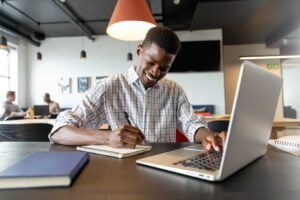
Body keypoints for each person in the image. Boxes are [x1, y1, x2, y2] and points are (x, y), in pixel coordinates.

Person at [49, 26, 226, 151]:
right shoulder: (108, 87)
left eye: (164, 68)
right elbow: (59, 131)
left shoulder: (174, 91)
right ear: (139, 51)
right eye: (151, 62)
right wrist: (107, 137)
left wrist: (209, 136)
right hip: (122, 173)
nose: (156, 72)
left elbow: (191, 124)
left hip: (164, 170)